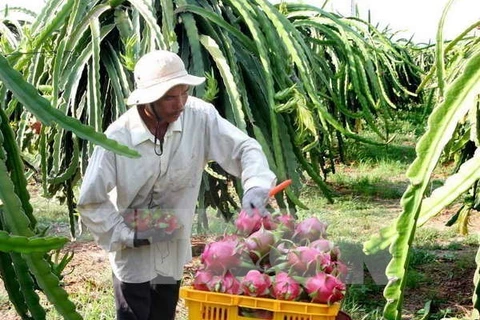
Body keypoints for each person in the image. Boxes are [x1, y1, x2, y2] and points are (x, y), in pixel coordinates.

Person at [77, 50, 276, 320]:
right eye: (170, 97)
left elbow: (244, 148)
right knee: (133, 311)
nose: (180, 103)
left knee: (164, 311)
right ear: (148, 99)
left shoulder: (200, 117)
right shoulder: (118, 138)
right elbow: (91, 201)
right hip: (130, 242)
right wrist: (126, 235)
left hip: (172, 238)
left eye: (184, 92)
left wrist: (255, 184)